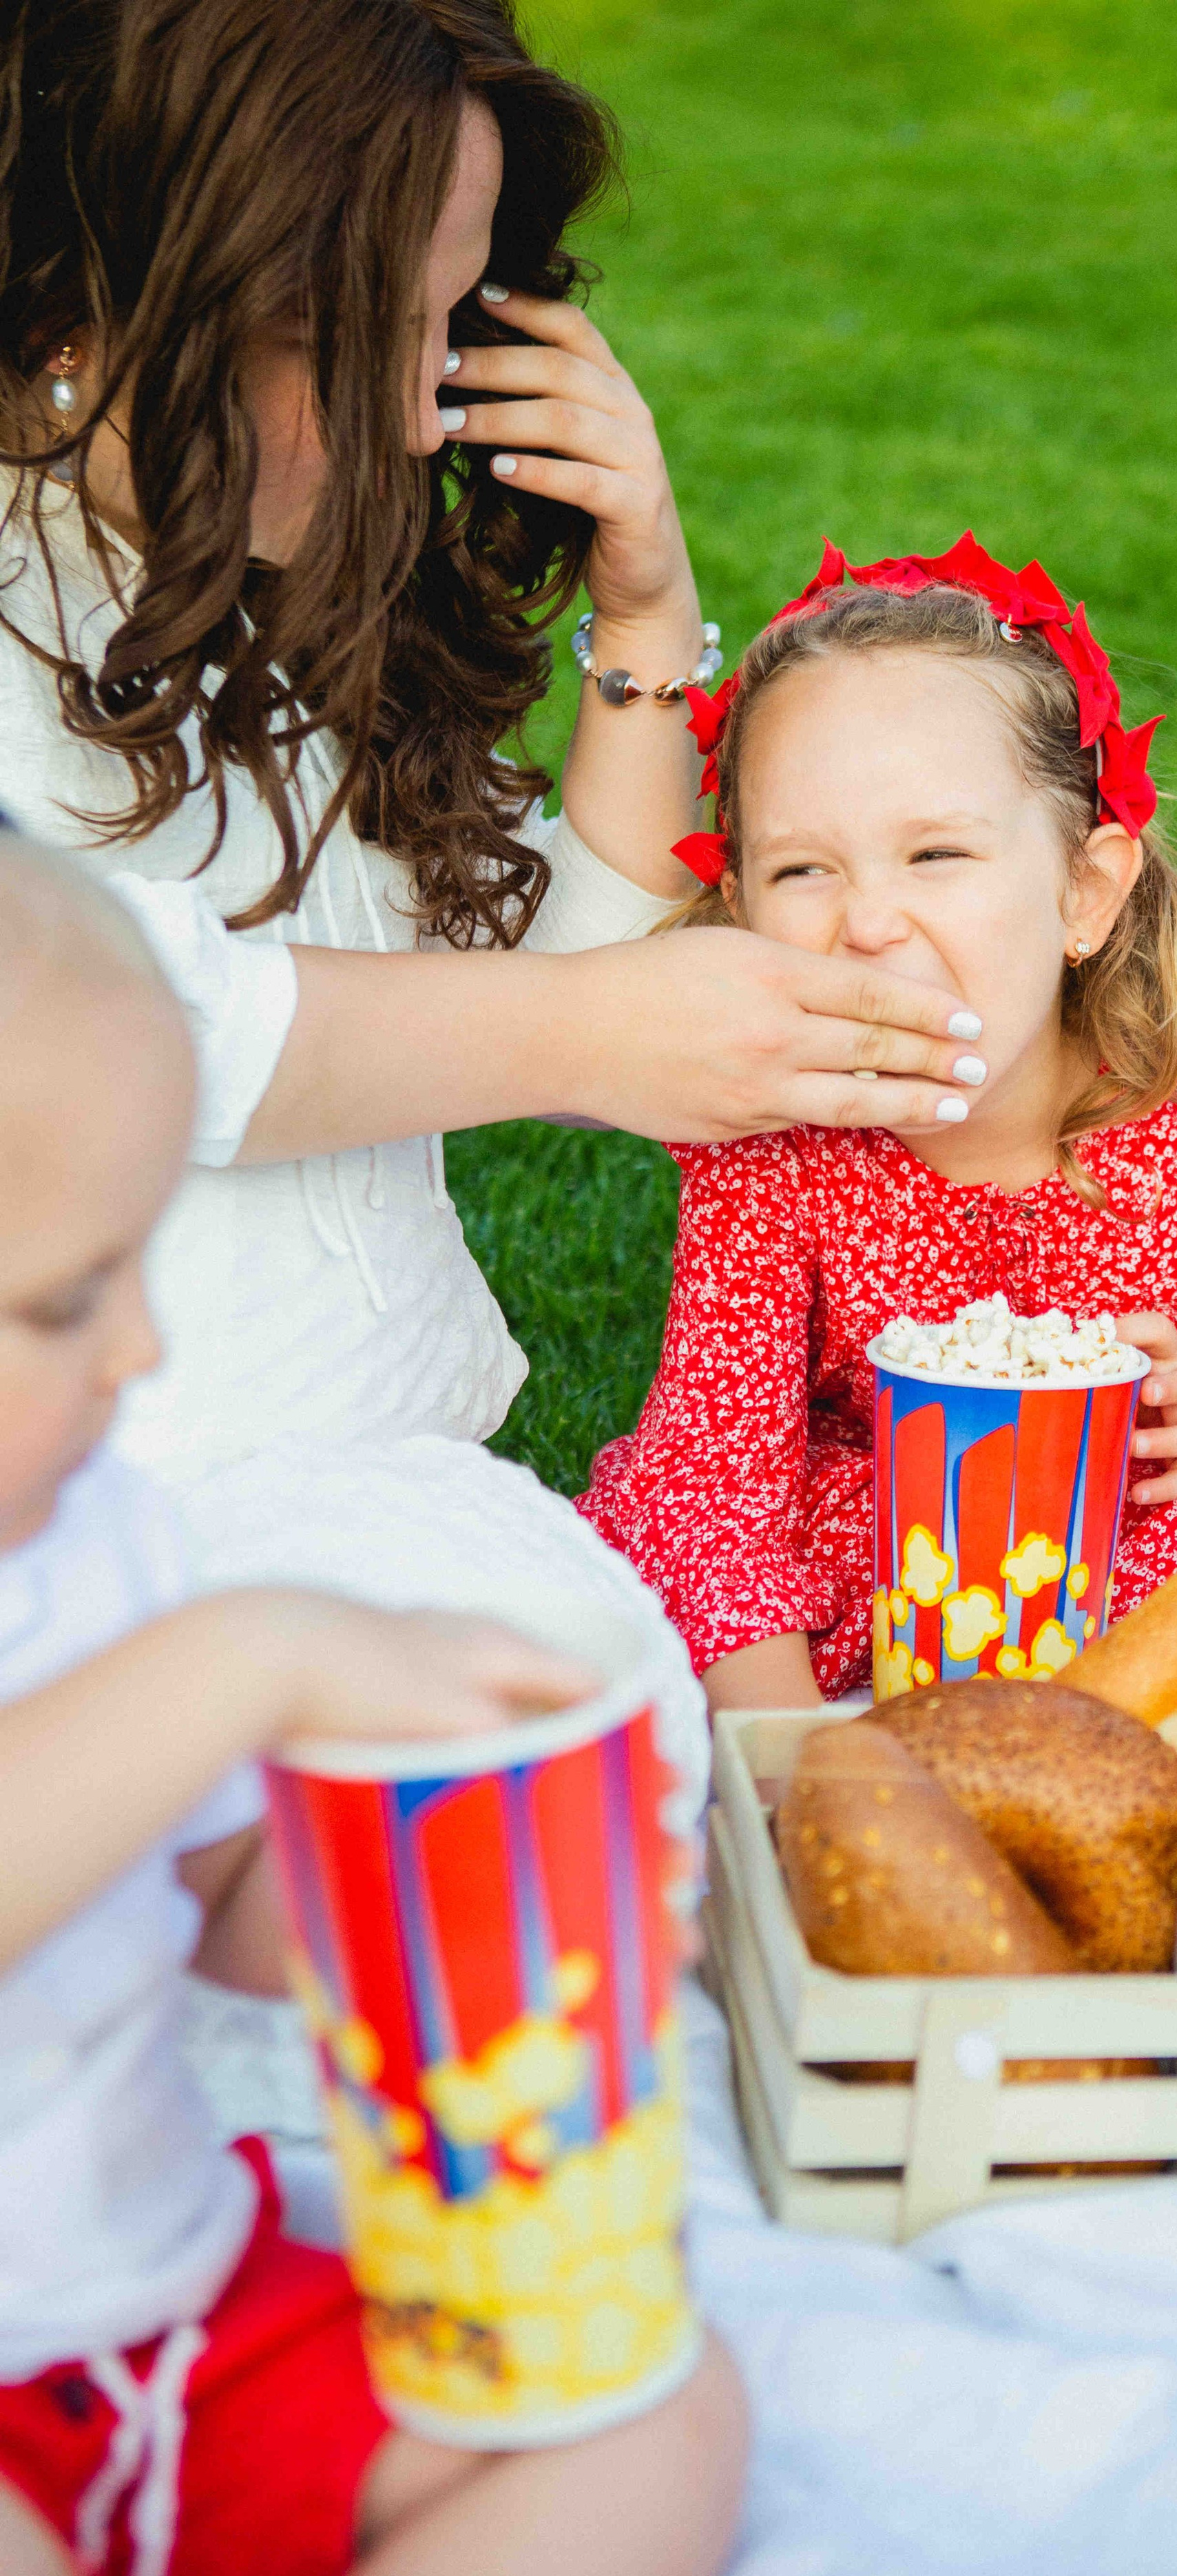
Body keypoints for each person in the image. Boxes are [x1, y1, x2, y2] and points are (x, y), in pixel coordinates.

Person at [0, 0, 987, 1747]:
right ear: (118, 290)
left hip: (379, 1476)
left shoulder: (262, 572)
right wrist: (583, 1034)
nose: (414, 416)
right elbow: (131, 1010)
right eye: (341, 335)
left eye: (450, 326)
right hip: (92, 1514)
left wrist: (644, 603)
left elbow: (557, 959)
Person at [0, 853, 746, 2576]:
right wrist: (257, 1656)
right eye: (64, 1301)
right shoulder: (210, 1636)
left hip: (167, 2316)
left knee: (649, 2421)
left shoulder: (97, 1540)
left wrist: (481, 1895)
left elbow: (205, 1902)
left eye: (139, 1265)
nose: (145, 1348)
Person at [580, 535, 1177, 1710]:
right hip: (899, 1555)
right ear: (739, 910)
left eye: (936, 853)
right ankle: (936, 1734)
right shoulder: (766, 1156)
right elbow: (716, 1476)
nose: (869, 923)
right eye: (802, 872)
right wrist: (793, 1758)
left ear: (1082, 892)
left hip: (1153, 1533)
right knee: (666, 1542)